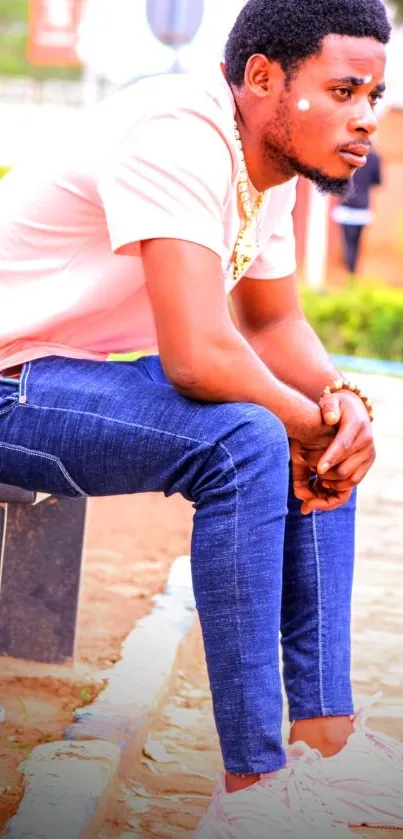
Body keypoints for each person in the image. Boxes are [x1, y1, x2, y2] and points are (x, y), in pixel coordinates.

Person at [0, 0, 401, 835]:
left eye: (375, 92)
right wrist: (303, 417)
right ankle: (253, 790)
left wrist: (340, 405)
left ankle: (322, 743)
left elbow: (271, 326)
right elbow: (198, 357)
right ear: (262, 79)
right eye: (344, 90)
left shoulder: (266, 169)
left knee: (318, 430)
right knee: (250, 434)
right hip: (11, 382)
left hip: (58, 375)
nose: (367, 115)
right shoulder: (180, 132)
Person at [332, 149, 383, 274]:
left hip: (346, 205)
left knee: (348, 242)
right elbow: (377, 181)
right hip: (362, 207)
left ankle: (350, 271)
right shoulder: (374, 157)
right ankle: (352, 271)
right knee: (356, 242)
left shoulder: (345, 153)